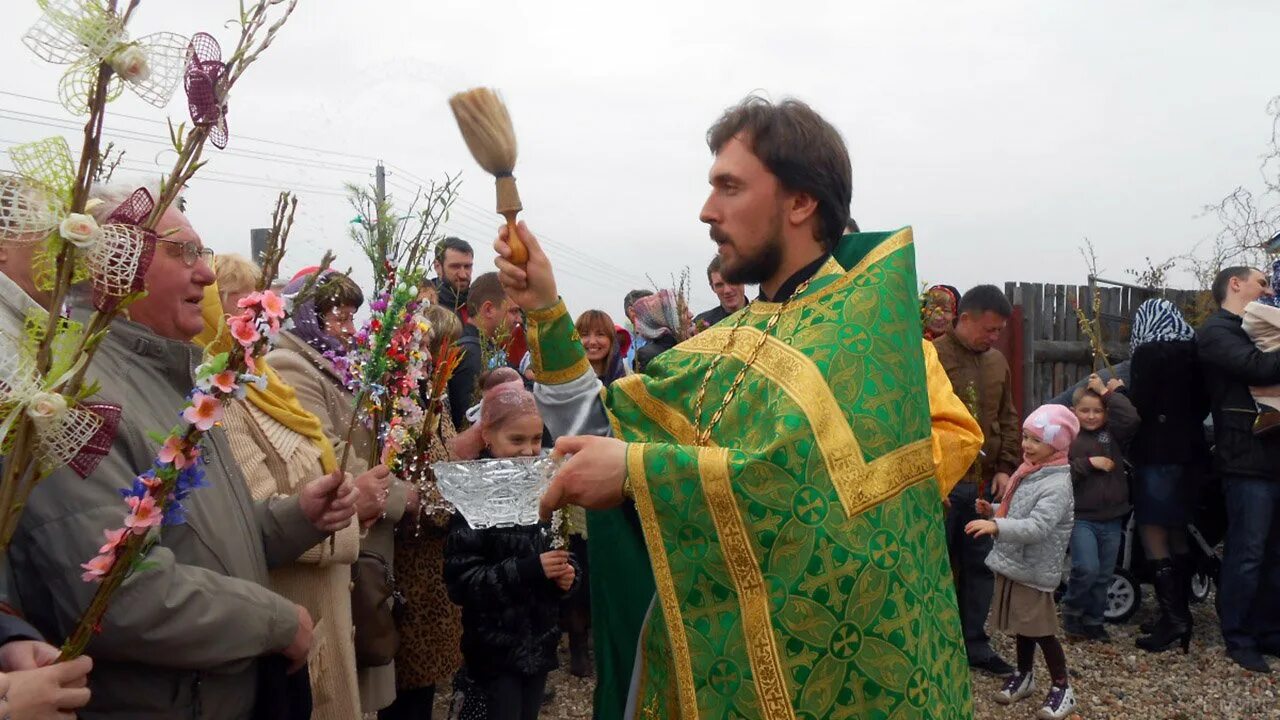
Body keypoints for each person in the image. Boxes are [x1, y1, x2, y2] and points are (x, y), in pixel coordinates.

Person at [500, 95, 983, 717]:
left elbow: (819, 501)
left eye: (730, 187)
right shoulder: (724, 343)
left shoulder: (869, 343)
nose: (707, 211)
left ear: (800, 201)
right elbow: (599, 437)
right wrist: (544, 305)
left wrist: (639, 471)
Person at [9, 185, 355, 718]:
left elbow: (196, 536)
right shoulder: (73, 401)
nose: (208, 275)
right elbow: (117, 593)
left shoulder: (180, 383)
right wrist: (275, 621)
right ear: (113, 264)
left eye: (204, 252)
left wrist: (293, 519)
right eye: (182, 252)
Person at [202, 255, 367, 719]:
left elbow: (321, 456)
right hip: (290, 611)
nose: (254, 320)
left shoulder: (265, 381)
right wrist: (351, 515)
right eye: (237, 307)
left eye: (259, 305)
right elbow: (254, 511)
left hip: (325, 600)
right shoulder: (219, 397)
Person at [267, 269, 410, 713]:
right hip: (347, 527)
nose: (348, 328)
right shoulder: (291, 364)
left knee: (367, 658)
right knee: (347, 669)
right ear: (307, 315)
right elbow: (327, 451)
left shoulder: (339, 362)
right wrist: (402, 497)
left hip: (367, 525)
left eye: (353, 317)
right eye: (337, 316)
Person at [443, 383, 580, 720]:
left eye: (536, 440)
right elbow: (462, 582)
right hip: (495, 652)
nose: (528, 450)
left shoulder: (545, 483)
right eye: (516, 440)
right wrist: (529, 569)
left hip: (539, 644)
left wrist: (568, 576)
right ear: (487, 435)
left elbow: (560, 549)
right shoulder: (472, 494)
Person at [968, 404, 1078, 719]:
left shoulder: (1056, 484)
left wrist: (996, 526)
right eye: (1026, 437)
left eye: (1035, 440)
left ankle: (1062, 687)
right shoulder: (1031, 471)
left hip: (1034, 567)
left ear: (1056, 445)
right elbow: (1017, 510)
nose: (1027, 445)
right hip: (1018, 563)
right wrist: (993, 510)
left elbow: (1037, 527)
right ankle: (1025, 674)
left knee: (1040, 629)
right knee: (1022, 625)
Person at [382, 304, 466, 720]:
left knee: (425, 683)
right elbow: (397, 483)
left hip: (437, 564)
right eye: (443, 347)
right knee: (407, 685)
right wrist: (450, 506)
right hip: (409, 566)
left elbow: (444, 461)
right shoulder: (397, 407)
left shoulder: (435, 398)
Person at [933, 284, 1021, 675]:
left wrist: (1005, 466)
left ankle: (975, 646)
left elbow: (1008, 416)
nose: (994, 337)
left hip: (984, 486)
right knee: (936, 567)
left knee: (981, 567)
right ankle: (935, 646)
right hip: (945, 488)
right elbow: (918, 422)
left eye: (999, 331)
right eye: (989, 329)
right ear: (963, 319)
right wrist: (933, 481)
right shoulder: (932, 358)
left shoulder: (997, 362)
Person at [1196, 266, 1280, 673]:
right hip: (1246, 458)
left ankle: (1269, 632)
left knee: (1275, 553)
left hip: (1276, 456)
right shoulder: (1218, 331)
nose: (1268, 289)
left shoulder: (1264, 327)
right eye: (1261, 282)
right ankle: (1240, 637)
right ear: (1235, 284)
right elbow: (1258, 369)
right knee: (1247, 552)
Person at [1128, 298, 1210, 653]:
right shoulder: (1196, 351)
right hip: (1192, 454)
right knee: (1178, 528)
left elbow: (1139, 407)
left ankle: (1175, 618)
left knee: (1152, 530)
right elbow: (1205, 404)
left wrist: (1117, 394)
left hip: (1157, 453)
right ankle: (1178, 616)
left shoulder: (1149, 353)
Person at [1062, 375, 1138, 641]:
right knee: (1086, 568)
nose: (1092, 416)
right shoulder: (1068, 437)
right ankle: (1072, 610)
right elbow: (1060, 473)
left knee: (1104, 574)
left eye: (1098, 411)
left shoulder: (1113, 435)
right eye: (1085, 411)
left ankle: (1094, 619)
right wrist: (1089, 463)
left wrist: (1107, 392)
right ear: (1074, 412)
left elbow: (1130, 418)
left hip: (1112, 517)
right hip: (1082, 517)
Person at [447, 271, 515, 429]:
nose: (518, 319)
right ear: (489, 309)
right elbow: (469, 423)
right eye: (513, 311)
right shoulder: (471, 355)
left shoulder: (484, 350)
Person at [629, 289, 688, 373]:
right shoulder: (648, 356)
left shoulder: (688, 344)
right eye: (684, 311)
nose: (691, 315)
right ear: (670, 317)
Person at [692, 255, 747, 331]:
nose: (727, 290)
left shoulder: (763, 317)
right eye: (719, 285)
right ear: (712, 287)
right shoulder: (701, 324)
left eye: (731, 281)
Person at [433, 237, 475, 322]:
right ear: (437, 266)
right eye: (455, 267)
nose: (463, 275)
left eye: (467, 267)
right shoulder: (423, 306)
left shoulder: (479, 306)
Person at [620, 289, 652, 370]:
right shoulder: (618, 345)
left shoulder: (667, 339)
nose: (658, 311)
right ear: (632, 311)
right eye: (651, 306)